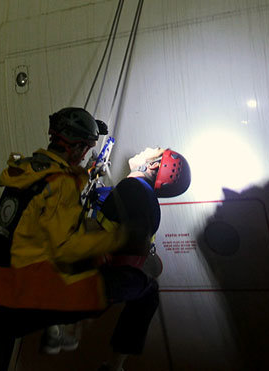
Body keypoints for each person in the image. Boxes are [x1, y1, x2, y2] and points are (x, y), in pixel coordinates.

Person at [0, 107, 127, 371]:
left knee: (0, 330)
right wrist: (113, 241)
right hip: (25, 283)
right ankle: (58, 329)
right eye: (87, 148)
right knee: (106, 291)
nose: (87, 154)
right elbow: (66, 246)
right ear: (77, 147)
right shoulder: (62, 182)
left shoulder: (29, 168)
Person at [90, 146, 192, 371]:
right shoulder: (150, 204)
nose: (145, 150)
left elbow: (99, 236)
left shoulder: (131, 188)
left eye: (152, 151)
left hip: (96, 277)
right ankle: (116, 366)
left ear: (155, 165)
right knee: (149, 292)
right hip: (123, 283)